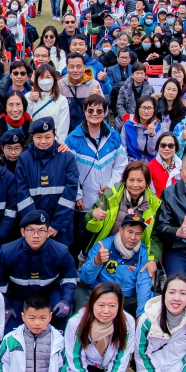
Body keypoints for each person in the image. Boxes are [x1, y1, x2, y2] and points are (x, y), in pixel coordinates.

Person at [0, 211, 78, 326]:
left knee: (61, 316)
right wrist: (6, 305)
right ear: (22, 232)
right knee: (9, 325)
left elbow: (70, 277)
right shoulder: (7, 252)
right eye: (30, 230)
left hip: (48, 293)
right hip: (18, 295)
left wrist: (66, 300)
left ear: (48, 232)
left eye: (41, 230)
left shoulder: (61, 251)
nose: (36, 235)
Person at [66, 92, 127, 255]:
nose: (95, 114)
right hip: (82, 203)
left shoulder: (114, 137)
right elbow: (68, 171)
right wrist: (77, 195)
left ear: (106, 112)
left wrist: (110, 187)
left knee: (102, 240)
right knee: (78, 240)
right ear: (84, 111)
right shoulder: (73, 139)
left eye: (99, 111)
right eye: (90, 110)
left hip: (107, 200)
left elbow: (121, 166)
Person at [65, 282, 135, 372]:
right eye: (101, 305)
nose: (106, 311)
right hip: (88, 365)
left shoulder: (127, 322)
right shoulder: (76, 323)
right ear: (92, 304)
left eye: (112, 305)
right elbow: (76, 361)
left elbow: (120, 362)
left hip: (109, 365)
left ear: (120, 306)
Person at [11, 117, 80, 246]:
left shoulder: (67, 157)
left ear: (54, 135)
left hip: (60, 228)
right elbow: (22, 194)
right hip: (33, 230)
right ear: (33, 137)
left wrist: (56, 225)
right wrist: (35, 226)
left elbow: (70, 193)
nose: (43, 141)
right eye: (38, 137)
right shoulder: (24, 159)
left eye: (48, 137)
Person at [77, 212, 153, 317]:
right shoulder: (103, 245)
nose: (133, 237)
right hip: (100, 297)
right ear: (121, 230)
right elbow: (85, 279)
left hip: (126, 300)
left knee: (154, 302)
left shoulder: (142, 252)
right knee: (78, 293)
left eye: (138, 234)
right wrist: (96, 262)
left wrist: (141, 314)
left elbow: (144, 283)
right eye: (130, 232)